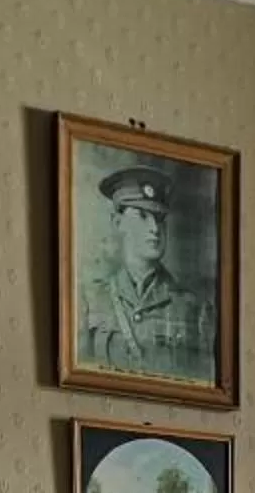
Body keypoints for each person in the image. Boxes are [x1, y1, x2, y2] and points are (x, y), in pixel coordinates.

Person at [74, 163, 216, 385]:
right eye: (142, 215)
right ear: (118, 222)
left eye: (159, 218)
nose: (155, 228)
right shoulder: (90, 300)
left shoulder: (195, 309)